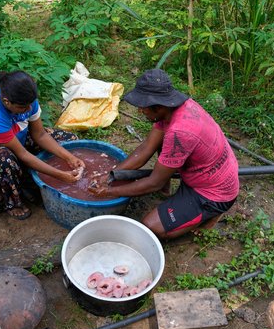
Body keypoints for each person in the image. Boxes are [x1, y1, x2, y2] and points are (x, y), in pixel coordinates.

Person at [90, 69, 239, 239]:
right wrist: (110, 176)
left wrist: (108, 192)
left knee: (151, 226)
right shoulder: (173, 110)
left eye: (143, 107)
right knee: (163, 142)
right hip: (203, 173)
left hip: (213, 194)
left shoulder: (180, 132)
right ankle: (173, 195)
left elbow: (154, 183)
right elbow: (146, 147)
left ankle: (209, 214)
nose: (140, 111)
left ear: (158, 106)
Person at [0, 71, 85, 220]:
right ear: (7, 102)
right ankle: (11, 202)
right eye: (22, 107)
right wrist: (60, 175)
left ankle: (27, 176)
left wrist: (69, 157)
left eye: (30, 105)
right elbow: (23, 155)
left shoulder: (27, 101)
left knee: (69, 140)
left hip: (17, 138)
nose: (28, 109)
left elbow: (39, 134)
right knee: (4, 162)